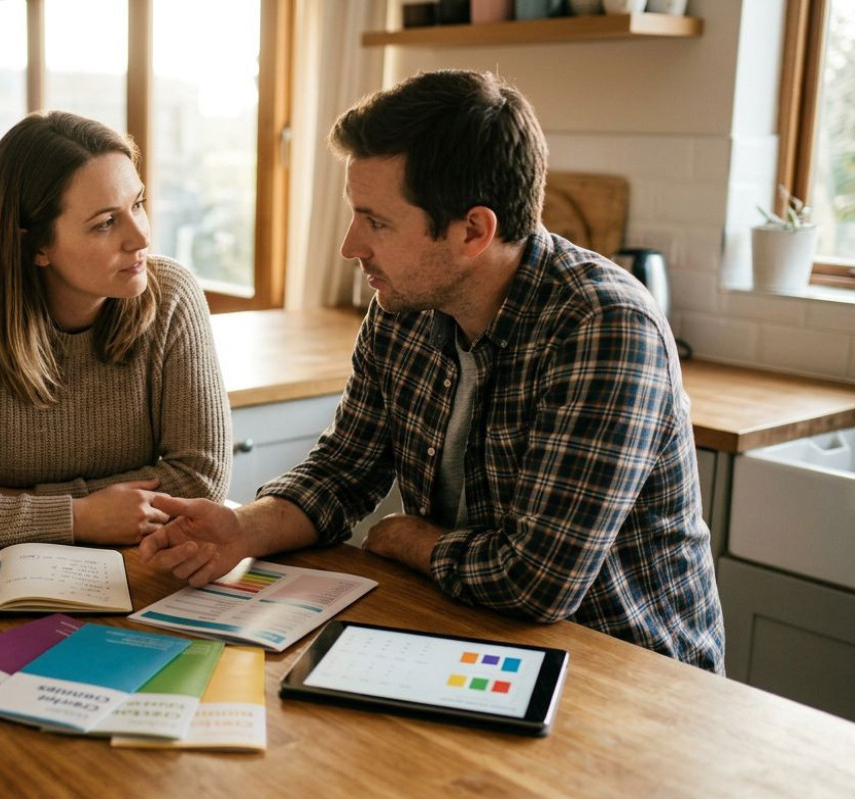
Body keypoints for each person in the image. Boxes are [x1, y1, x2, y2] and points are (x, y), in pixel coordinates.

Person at [141, 70, 725, 672]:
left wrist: (409, 538)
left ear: (474, 231)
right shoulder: (404, 306)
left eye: (377, 221)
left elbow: (536, 583)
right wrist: (243, 529)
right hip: (471, 636)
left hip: (628, 675)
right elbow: (345, 470)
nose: (350, 245)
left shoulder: (603, 325)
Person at [0, 110, 231, 551]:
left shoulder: (172, 295)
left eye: (137, 204)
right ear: (35, 246)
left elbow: (201, 479)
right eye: (106, 223)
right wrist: (78, 517)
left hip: (139, 571)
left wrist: (23, 504)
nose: (141, 237)